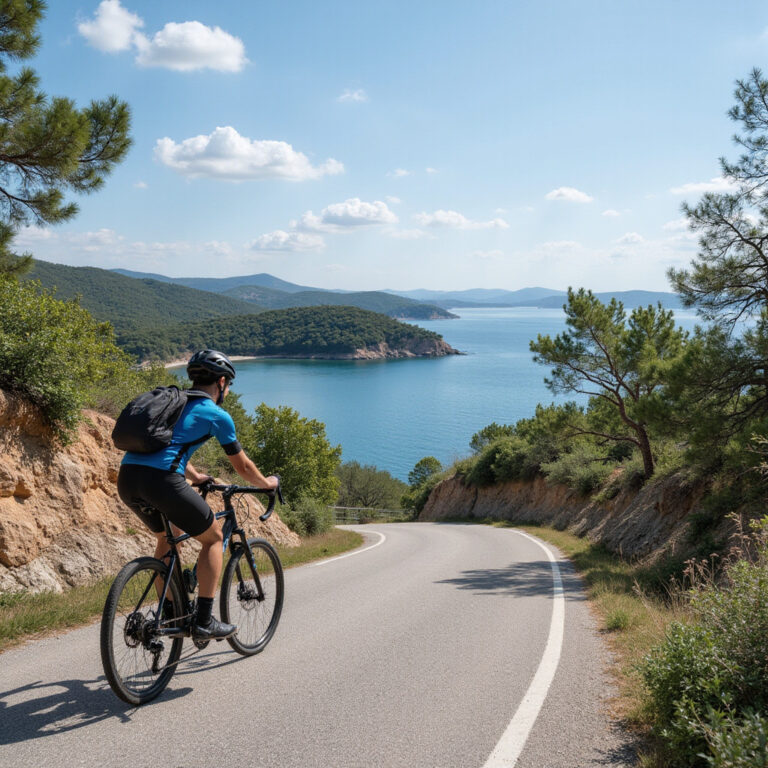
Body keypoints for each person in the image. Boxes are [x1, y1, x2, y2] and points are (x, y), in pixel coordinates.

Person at [117, 349, 279, 640]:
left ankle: (170, 616)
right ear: (220, 382)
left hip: (128, 478)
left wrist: (194, 476)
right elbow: (242, 467)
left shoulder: (174, 404)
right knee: (214, 538)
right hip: (163, 482)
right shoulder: (216, 414)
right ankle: (204, 620)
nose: (227, 390)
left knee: (168, 538)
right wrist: (267, 482)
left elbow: (168, 444)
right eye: (228, 384)